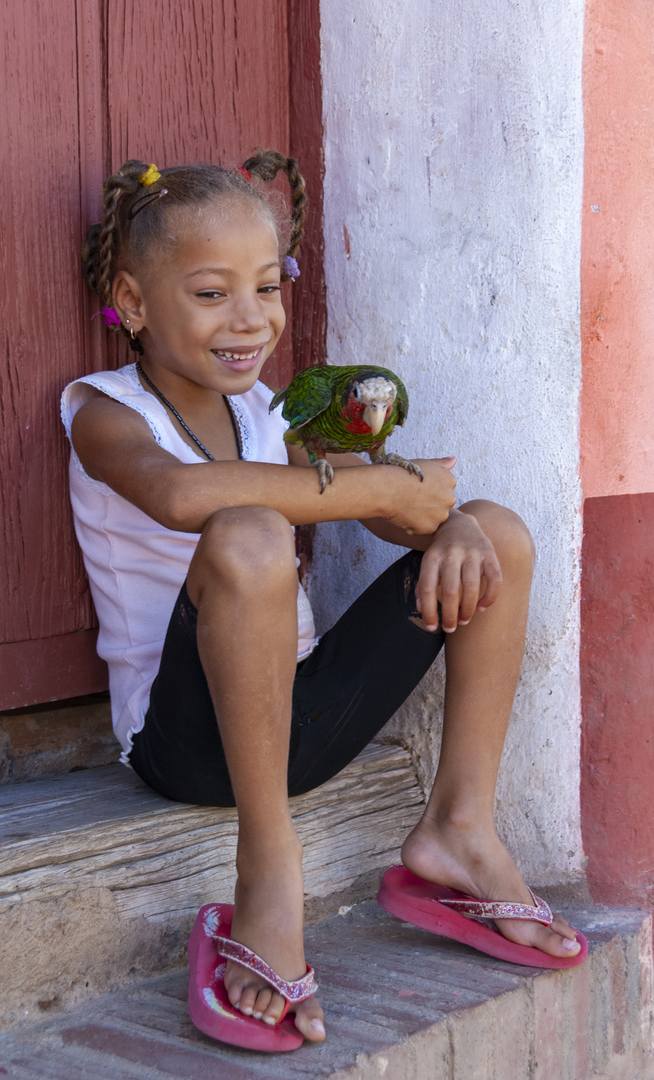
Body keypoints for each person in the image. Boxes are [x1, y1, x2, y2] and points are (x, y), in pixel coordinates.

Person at [61, 151, 585, 1054]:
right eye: (212, 293)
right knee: (248, 529)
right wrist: (385, 491)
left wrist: (441, 523)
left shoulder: (273, 414)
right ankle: (269, 875)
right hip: (184, 745)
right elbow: (186, 499)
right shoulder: (106, 411)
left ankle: (459, 828)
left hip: (300, 721)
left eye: (267, 287)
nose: (250, 319)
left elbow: (390, 516)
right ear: (135, 303)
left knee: (492, 531)